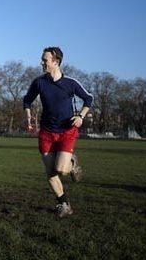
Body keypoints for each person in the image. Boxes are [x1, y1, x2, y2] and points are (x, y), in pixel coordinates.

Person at [23, 47, 93, 218]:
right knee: (50, 172)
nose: (42, 62)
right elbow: (27, 100)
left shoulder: (70, 83)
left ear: (56, 61)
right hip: (46, 132)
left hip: (66, 131)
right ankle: (64, 204)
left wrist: (81, 117)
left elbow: (88, 98)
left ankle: (72, 163)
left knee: (61, 169)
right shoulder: (39, 82)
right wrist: (29, 117)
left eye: (45, 60)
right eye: (42, 59)